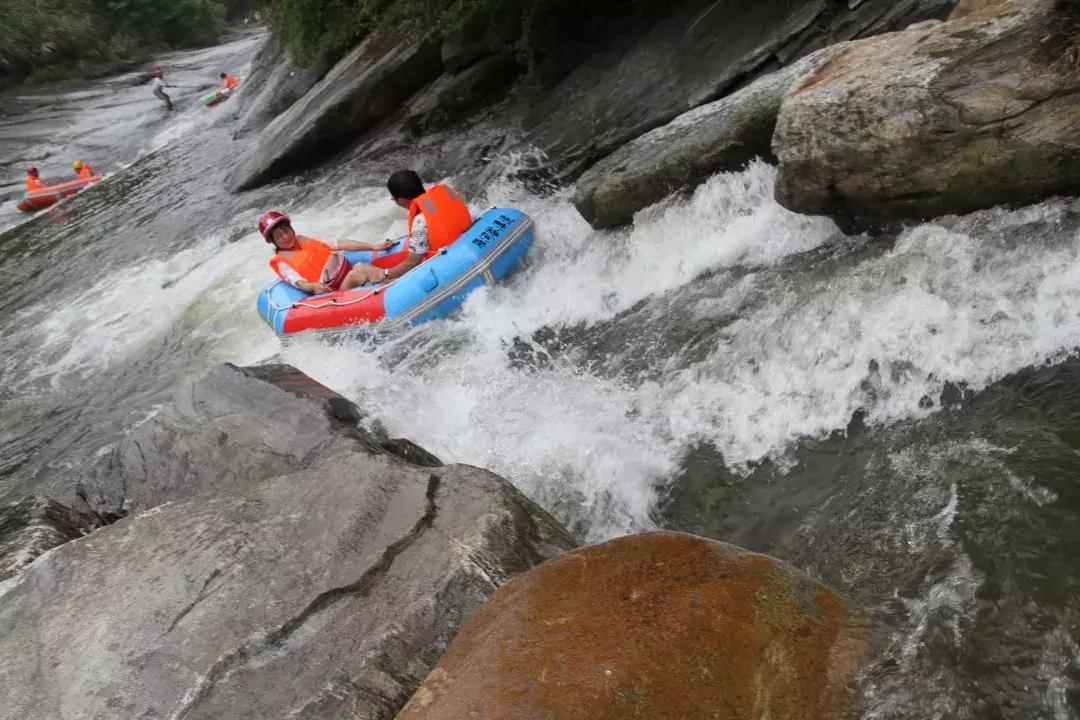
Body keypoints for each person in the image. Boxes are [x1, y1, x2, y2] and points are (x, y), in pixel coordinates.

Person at [345, 170, 473, 285]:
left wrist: (383, 274)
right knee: (361, 267)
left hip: (447, 266)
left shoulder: (419, 222)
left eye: (393, 199)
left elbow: (412, 263)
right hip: (467, 245)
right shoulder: (446, 193)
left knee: (357, 273)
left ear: (399, 200)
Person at [260, 211, 395, 294]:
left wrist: (374, 247)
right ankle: (390, 288)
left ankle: (393, 280)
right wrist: (313, 286)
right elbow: (298, 283)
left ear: (291, 228)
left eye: (286, 231)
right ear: (273, 242)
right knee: (354, 274)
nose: (285, 237)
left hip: (343, 276)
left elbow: (340, 244)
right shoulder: (282, 263)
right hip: (331, 293)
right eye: (279, 236)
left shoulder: (305, 240)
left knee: (360, 266)